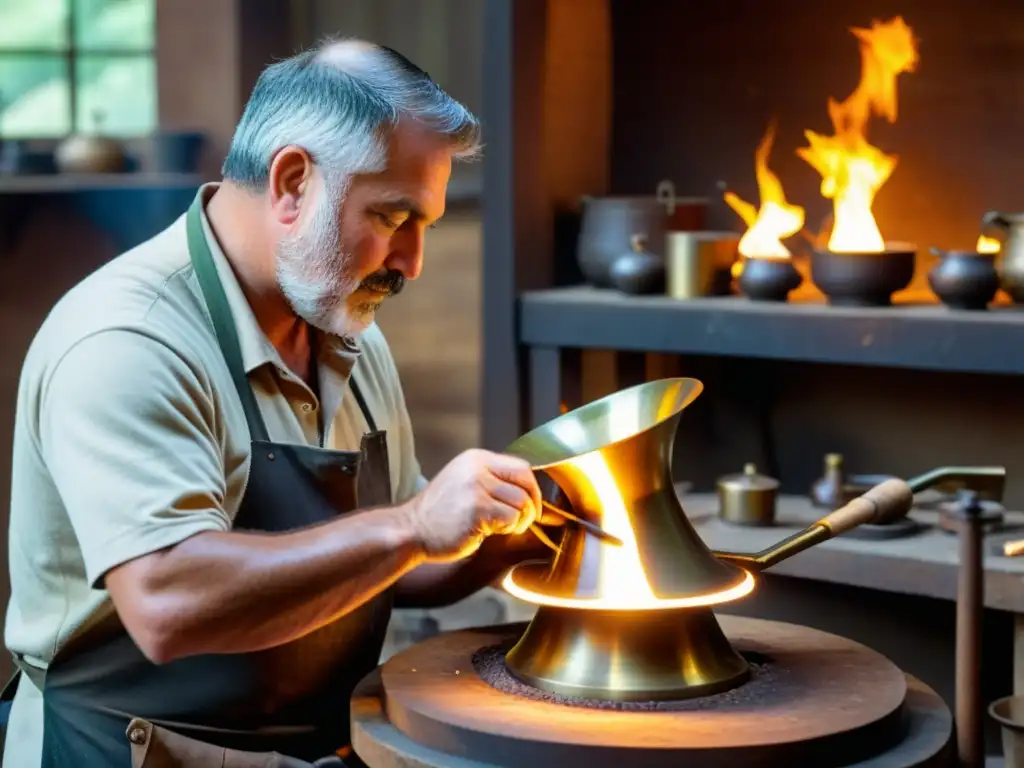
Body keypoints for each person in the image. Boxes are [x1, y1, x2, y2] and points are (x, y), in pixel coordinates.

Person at [2, 39, 559, 768]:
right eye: (395, 219)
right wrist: (416, 525)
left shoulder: (342, 327)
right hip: (128, 752)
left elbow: (393, 556)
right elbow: (169, 601)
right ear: (293, 183)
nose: (414, 264)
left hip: (316, 746)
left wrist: (513, 529)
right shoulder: (127, 338)